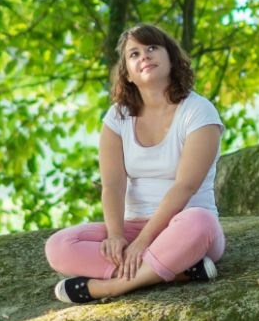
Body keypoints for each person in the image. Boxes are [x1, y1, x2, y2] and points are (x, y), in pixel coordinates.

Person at [46, 23, 226, 304]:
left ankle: (110, 287)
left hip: (185, 226)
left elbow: (185, 186)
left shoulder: (199, 111)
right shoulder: (117, 117)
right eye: (134, 54)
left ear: (170, 58)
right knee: (59, 247)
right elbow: (113, 185)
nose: (145, 56)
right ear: (127, 73)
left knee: (199, 221)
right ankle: (178, 271)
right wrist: (117, 236)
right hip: (132, 228)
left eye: (152, 48)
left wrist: (142, 243)